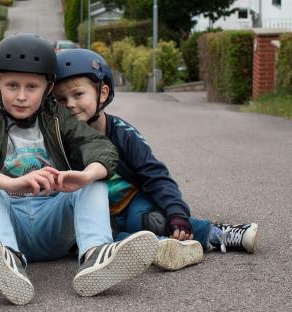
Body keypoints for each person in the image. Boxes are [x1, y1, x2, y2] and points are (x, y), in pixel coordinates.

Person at [0, 33, 159, 306]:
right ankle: (8, 259)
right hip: (12, 224)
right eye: (12, 85)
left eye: (31, 87)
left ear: (48, 88)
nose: (21, 96)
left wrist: (85, 174)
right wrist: (11, 183)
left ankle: (95, 255)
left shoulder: (57, 117)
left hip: (53, 222)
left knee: (93, 181)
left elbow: (99, 146)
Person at [52, 49, 258, 271]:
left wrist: (177, 214)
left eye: (78, 95)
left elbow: (155, 175)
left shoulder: (123, 134)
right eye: (61, 99)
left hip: (133, 204)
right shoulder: (56, 138)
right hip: (94, 213)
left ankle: (217, 234)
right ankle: (160, 248)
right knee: (107, 239)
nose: (70, 104)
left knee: (152, 221)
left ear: (102, 93)